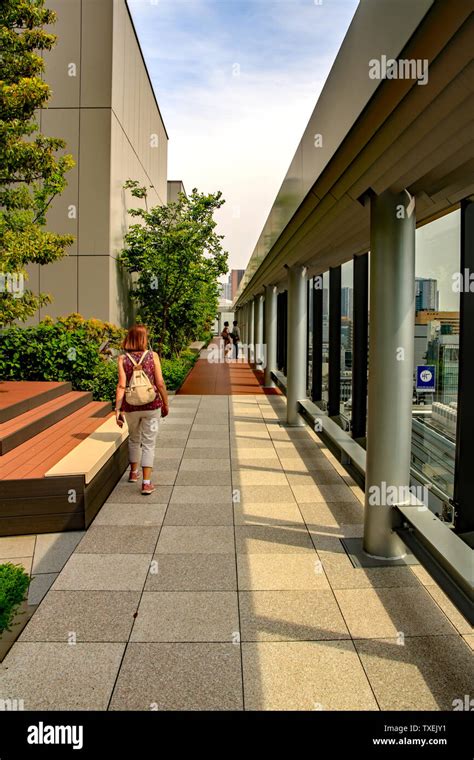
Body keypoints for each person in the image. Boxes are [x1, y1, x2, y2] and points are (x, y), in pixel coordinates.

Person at [115, 324, 169, 495]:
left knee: (133, 439)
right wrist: (166, 403)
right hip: (151, 406)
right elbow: (159, 382)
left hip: (130, 407)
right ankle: (146, 483)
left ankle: (133, 473)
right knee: (148, 443)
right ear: (144, 339)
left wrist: (117, 409)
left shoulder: (122, 359)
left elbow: (121, 385)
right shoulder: (153, 356)